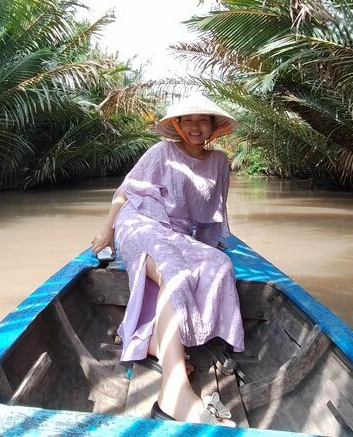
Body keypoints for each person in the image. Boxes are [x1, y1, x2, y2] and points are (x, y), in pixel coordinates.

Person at [91, 93, 245, 426]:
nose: (194, 127)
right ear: (177, 125)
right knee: (172, 271)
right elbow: (125, 191)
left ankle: (157, 346)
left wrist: (206, 247)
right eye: (187, 121)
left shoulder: (219, 161)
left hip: (175, 235)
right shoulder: (162, 152)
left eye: (201, 120)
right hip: (139, 223)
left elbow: (213, 213)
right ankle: (174, 391)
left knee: (220, 265)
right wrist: (107, 231)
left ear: (213, 126)